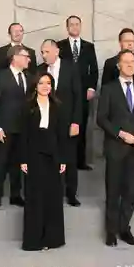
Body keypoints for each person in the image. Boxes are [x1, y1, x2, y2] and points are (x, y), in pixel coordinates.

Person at [97, 50, 134, 247]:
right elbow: (101, 118)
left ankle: (124, 228)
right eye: (126, 62)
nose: (130, 65)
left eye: (133, 62)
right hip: (116, 147)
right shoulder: (108, 89)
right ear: (118, 66)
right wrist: (120, 134)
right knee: (113, 191)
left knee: (130, 192)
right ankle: (111, 231)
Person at [101, 28, 134, 205]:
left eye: (132, 41)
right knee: (113, 189)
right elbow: (103, 114)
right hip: (117, 137)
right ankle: (113, 222)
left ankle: (132, 198)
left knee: (131, 186)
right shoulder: (110, 70)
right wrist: (120, 132)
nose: (129, 44)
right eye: (126, 41)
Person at [19, 72, 67, 251]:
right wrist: (23, 159)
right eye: (41, 83)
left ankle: (52, 239)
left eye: (48, 83)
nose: (45, 86)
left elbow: (62, 135)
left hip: (53, 155)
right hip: (34, 155)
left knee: (52, 197)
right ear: (35, 86)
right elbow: (23, 135)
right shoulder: (27, 106)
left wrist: (63, 158)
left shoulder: (58, 106)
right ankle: (34, 240)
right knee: (35, 198)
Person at [38, 39, 82, 206]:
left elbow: (78, 96)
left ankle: (71, 194)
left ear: (56, 51)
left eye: (47, 52)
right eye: (42, 52)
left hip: (67, 121)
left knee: (69, 158)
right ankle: (51, 191)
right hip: (47, 122)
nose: (44, 55)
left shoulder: (71, 68)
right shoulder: (40, 70)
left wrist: (76, 122)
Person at [0, 45, 31, 209]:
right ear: (15, 57)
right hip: (5, 128)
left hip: (24, 128)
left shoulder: (28, 77)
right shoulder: (1, 76)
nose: (29, 60)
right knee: (2, 163)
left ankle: (15, 195)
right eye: (25, 56)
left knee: (18, 163)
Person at [57, 16, 98, 170]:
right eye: (72, 25)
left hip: (83, 92)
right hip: (65, 93)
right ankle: (64, 160)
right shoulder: (60, 46)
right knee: (64, 126)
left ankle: (80, 161)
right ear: (67, 27)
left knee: (81, 125)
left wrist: (91, 88)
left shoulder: (89, 46)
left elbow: (94, 69)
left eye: (77, 24)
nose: (75, 27)